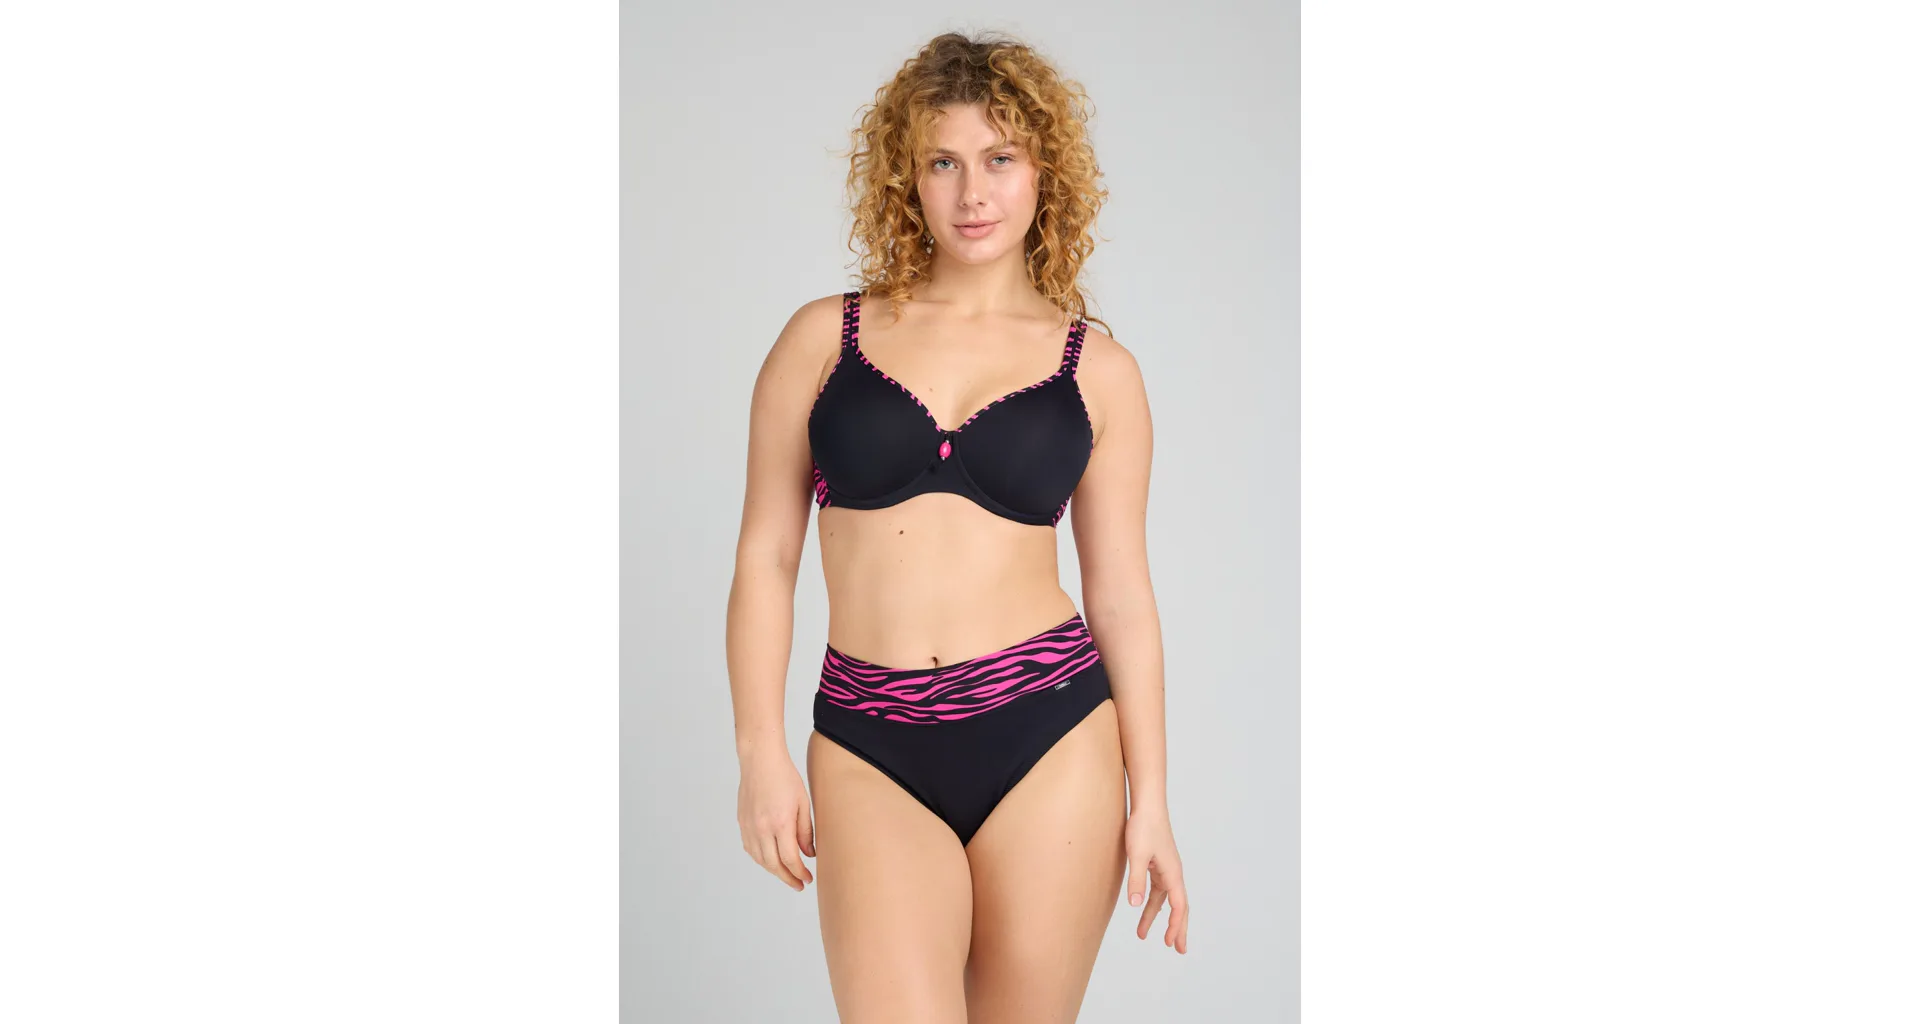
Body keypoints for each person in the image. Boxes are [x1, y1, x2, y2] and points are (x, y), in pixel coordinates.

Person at [727, 30, 1188, 1022]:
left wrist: (1150, 798)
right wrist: (759, 752)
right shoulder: (824, 339)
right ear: (909, 176)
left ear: (1044, 171)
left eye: (999, 158)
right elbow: (766, 557)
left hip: (1050, 734)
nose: (973, 193)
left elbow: (1120, 596)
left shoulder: (1100, 373)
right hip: (869, 740)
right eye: (943, 162)